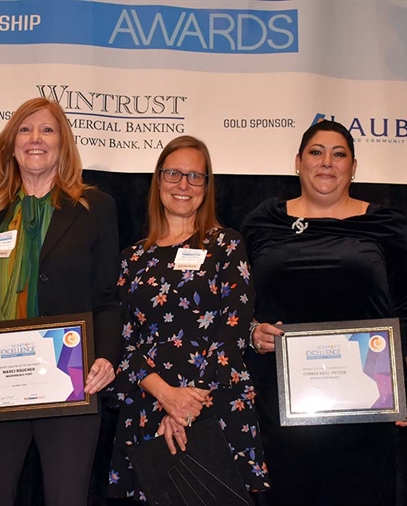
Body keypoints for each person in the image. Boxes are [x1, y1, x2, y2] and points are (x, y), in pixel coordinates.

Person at [241, 120, 407, 505]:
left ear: (354, 166)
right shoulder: (263, 223)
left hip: (367, 404)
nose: (326, 162)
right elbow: (234, 306)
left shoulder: (385, 225)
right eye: (316, 152)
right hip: (281, 406)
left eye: (339, 154)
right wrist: (253, 332)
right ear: (297, 162)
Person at [0, 97, 121, 506]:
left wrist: (107, 356)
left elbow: (108, 297)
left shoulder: (95, 207)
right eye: (25, 130)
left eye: (47, 130)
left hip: (68, 380)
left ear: (63, 142)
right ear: (11, 144)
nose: (35, 139)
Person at [107, 135, 271, 501]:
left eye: (195, 177)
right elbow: (120, 339)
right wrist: (166, 396)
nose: (183, 185)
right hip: (148, 406)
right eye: (174, 174)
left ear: (207, 187)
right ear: (157, 180)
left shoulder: (227, 245)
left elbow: (234, 325)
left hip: (216, 406)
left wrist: (185, 407)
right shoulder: (131, 258)